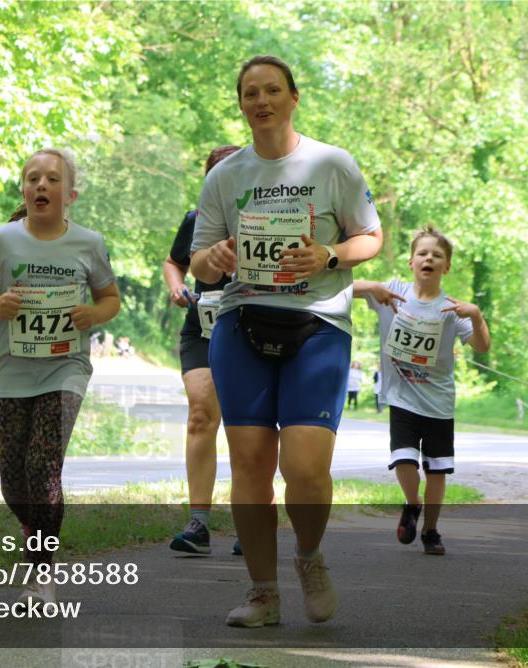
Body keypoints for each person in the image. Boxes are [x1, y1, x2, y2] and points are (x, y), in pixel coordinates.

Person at [190, 55, 383, 627]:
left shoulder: (331, 163)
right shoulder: (225, 176)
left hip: (318, 322)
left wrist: (328, 254)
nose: (262, 101)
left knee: (304, 467)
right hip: (243, 321)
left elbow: (370, 237)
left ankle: (308, 557)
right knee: (249, 464)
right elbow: (198, 263)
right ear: (242, 104)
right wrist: (215, 257)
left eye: (273, 90)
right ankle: (262, 593)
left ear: (293, 98)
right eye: (251, 92)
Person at [0, 148, 121, 605]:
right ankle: (36, 528)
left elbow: (111, 299)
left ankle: (41, 573)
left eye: (52, 179)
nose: (41, 186)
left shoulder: (89, 243)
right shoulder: (2, 241)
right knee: (14, 481)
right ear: (24, 190)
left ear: (69, 194)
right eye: (33, 178)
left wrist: (93, 314)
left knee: (43, 466)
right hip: (12, 371)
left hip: (65, 367)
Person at [353, 226, 490, 556]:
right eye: (423, 253)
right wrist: (372, 286)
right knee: (402, 458)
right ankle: (412, 503)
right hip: (402, 397)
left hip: (439, 401)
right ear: (412, 262)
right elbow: (344, 289)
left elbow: (482, 346)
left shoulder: (452, 309)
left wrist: (476, 315)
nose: (429, 258)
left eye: (437, 255)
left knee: (437, 469)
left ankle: (431, 529)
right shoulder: (393, 292)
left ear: (447, 266)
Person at [164, 145, 242, 555]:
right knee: (200, 414)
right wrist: (177, 287)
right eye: (215, 174)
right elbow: (173, 262)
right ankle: (199, 523)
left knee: (248, 426)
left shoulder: (265, 220)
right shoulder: (196, 221)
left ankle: (252, 523)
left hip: (252, 327)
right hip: (203, 327)